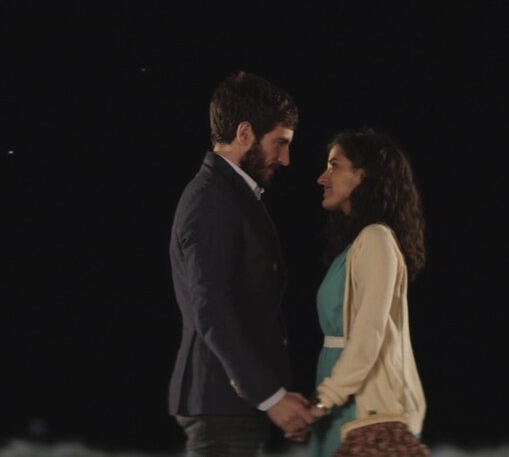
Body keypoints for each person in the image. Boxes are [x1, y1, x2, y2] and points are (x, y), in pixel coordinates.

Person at [168, 71, 317, 456]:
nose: (286, 159)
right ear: (245, 133)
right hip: (221, 406)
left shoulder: (228, 195)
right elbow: (212, 310)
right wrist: (271, 397)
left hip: (230, 406)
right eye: (280, 143)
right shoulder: (212, 200)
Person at [300, 127, 429, 456]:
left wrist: (325, 400)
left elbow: (369, 332)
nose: (322, 177)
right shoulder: (356, 245)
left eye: (334, 165)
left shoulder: (376, 239)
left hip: (361, 405)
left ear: (364, 174)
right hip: (341, 397)